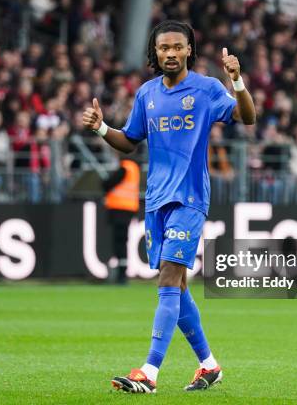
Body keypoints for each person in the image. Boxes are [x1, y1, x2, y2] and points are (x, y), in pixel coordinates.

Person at [82, 20, 256, 393]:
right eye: (164, 48)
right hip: (156, 200)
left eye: (178, 47)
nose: (171, 54)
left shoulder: (208, 89)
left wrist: (237, 82)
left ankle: (149, 372)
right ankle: (209, 366)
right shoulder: (147, 94)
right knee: (177, 284)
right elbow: (129, 141)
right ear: (155, 53)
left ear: (189, 49)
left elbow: (248, 117)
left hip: (190, 198)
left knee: (167, 281)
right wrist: (100, 128)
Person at [102, 156, 140, 284]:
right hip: (128, 209)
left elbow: (107, 184)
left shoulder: (125, 168)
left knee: (119, 242)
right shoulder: (134, 168)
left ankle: (121, 274)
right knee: (122, 241)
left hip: (120, 209)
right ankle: (122, 271)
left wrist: (105, 182)